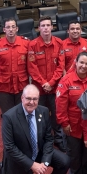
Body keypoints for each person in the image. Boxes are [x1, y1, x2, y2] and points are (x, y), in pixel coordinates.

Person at [1, 84, 71, 174]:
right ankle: (4, 170)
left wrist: (44, 162)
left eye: (35, 99)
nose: (31, 102)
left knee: (64, 161)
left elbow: (49, 139)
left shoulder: (43, 111)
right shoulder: (9, 117)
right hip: (20, 158)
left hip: (38, 151)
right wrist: (32, 165)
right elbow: (10, 147)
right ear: (22, 98)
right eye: (28, 98)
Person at [56, 52, 87, 174]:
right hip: (72, 125)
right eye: (81, 63)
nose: (84, 66)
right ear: (76, 63)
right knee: (74, 153)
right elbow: (60, 104)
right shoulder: (66, 80)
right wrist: (64, 123)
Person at [27, 17, 65, 147]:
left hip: (55, 89)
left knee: (56, 114)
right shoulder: (32, 45)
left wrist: (52, 83)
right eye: (42, 25)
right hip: (39, 90)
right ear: (39, 28)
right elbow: (32, 67)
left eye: (48, 25)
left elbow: (61, 66)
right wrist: (44, 83)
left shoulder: (59, 43)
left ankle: (58, 139)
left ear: (52, 27)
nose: (46, 28)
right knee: (39, 115)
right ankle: (41, 140)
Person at [0, 18, 30, 115]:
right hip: (5, 86)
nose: (11, 29)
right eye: (8, 27)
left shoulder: (26, 43)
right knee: (7, 114)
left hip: (22, 85)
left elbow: (30, 64)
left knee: (22, 114)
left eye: (13, 27)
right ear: (4, 29)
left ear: (17, 29)